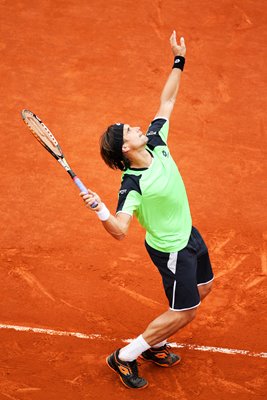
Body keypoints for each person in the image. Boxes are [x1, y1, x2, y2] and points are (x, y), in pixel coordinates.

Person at [81, 31, 214, 390]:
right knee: (185, 310)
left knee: (204, 289)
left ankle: (154, 343)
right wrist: (101, 210)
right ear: (125, 148)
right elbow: (121, 229)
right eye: (129, 129)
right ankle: (126, 355)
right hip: (171, 250)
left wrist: (178, 60)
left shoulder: (156, 141)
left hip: (189, 234)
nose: (137, 126)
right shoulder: (132, 185)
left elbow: (166, 101)